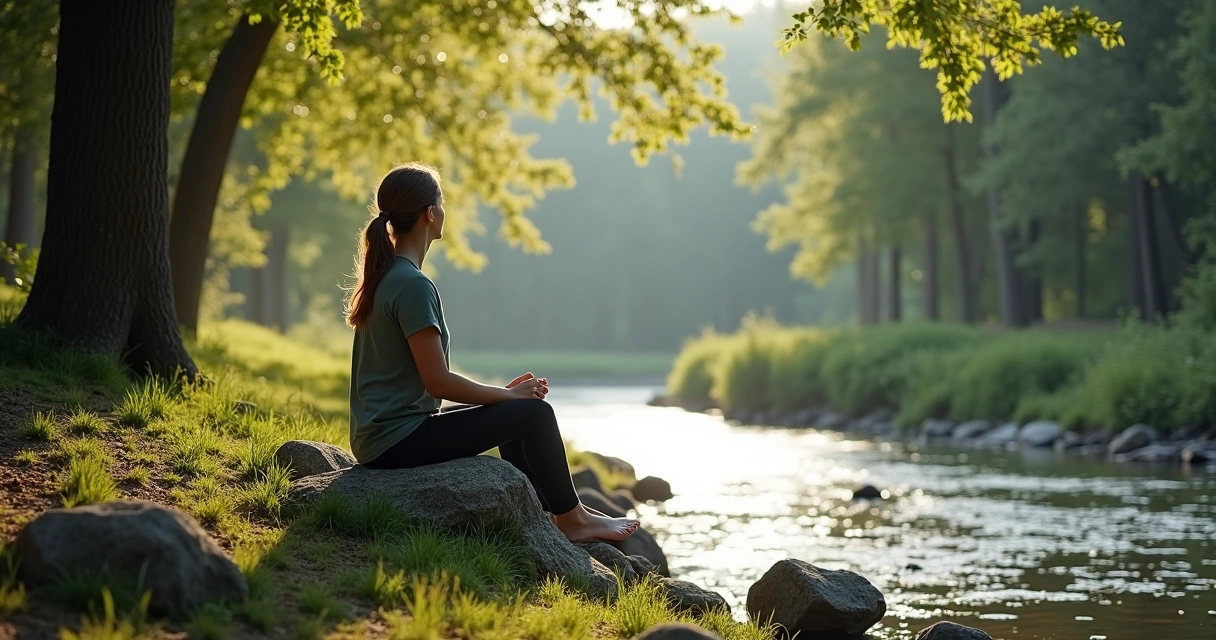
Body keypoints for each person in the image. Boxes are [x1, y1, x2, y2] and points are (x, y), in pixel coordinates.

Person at [345, 162, 639, 544]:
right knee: (536, 413)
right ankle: (574, 519)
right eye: (442, 202)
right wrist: (509, 397)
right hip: (396, 440)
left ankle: (544, 517)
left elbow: (426, 382)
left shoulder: (388, 277)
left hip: (383, 437)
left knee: (519, 413)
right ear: (430, 214)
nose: (444, 210)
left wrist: (504, 399)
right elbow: (438, 381)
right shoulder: (411, 285)